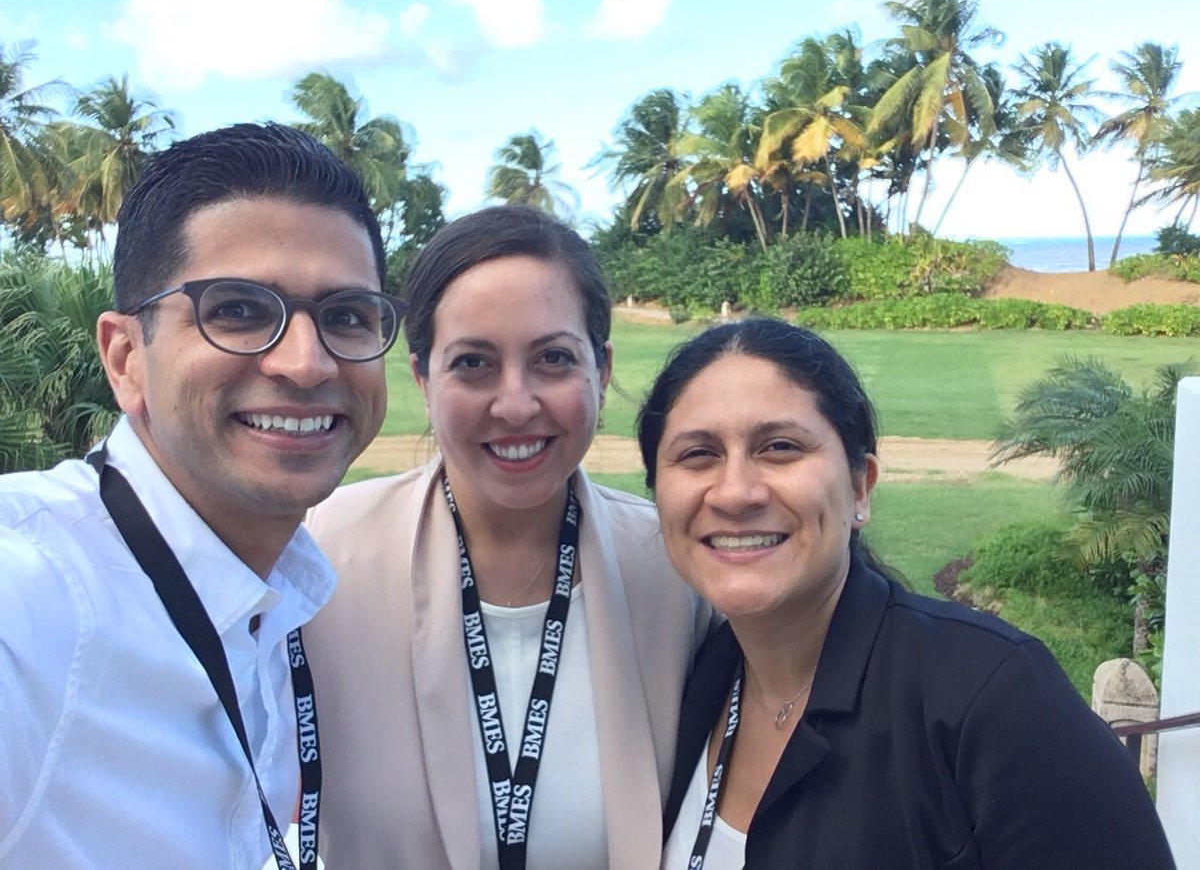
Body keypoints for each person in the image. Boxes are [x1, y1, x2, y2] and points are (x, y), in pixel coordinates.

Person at [0, 123, 402, 869]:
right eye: (238, 310)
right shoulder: (32, 601)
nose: (306, 363)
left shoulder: (281, 597)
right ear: (126, 358)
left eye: (347, 315)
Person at [637, 317, 1176, 869]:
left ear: (860, 487)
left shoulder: (994, 699)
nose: (735, 493)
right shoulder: (695, 681)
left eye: (779, 447)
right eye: (698, 454)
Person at [302, 204, 712, 869]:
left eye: (553, 358)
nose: (516, 404)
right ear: (422, 377)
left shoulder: (677, 571)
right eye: (473, 362)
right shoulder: (323, 559)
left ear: (601, 370)